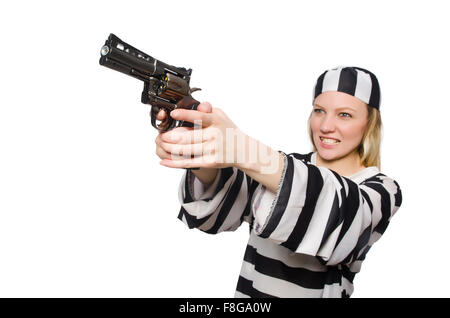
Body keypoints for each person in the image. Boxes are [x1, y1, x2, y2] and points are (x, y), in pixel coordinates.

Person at [154, 66, 402, 298]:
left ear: (370, 123)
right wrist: (199, 152)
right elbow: (227, 204)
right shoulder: (284, 165)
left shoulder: (381, 189)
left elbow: (342, 215)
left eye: (345, 115)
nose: (326, 126)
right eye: (319, 111)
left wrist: (243, 150)